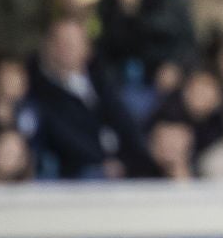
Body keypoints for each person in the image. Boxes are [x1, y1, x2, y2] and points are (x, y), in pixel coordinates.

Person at [30, 17, 155, 180]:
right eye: (60, 42)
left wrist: (129, 161)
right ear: (48, 47)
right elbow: (63, 137)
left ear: (87, 48)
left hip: (122, 171)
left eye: (72, 43)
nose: (66, 48)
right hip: (77, 178)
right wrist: (101, 163)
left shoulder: (104, 82)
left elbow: (128, 127)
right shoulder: (39, 91)